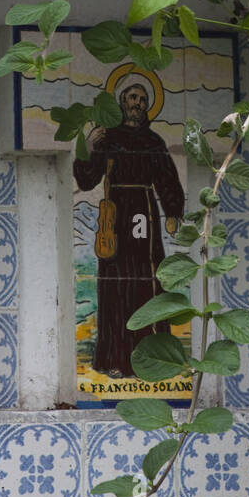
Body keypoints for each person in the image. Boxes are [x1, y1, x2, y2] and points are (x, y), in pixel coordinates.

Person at [73, 82, 185, 377]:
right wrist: (89, 145)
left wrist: (173, 210)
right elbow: (86, 180)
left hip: (146, 212)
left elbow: (167, 178)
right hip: (117, 214)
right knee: (115, 286)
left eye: (143, 99)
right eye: (133, 97)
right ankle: (115, 359)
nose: (138, 103)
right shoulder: (108, 138)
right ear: (121, 101)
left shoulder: (154, 141)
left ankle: (151, 358)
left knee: (148, 282)